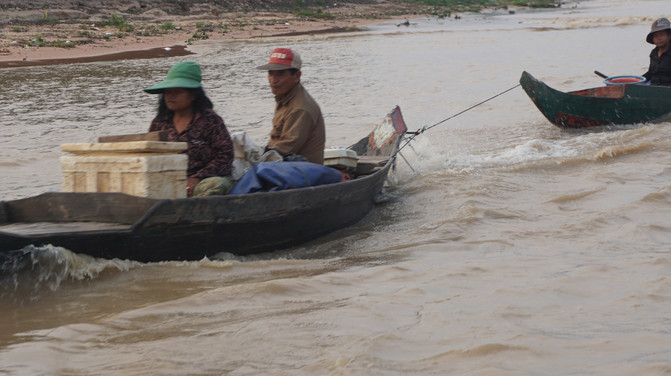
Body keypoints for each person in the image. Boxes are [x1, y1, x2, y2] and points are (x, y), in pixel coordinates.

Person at [144, 61, 234, 197]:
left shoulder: (210, 120)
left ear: (193, 95)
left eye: (177, 92)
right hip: (170, 181)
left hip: (204, 181)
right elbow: (150, 155)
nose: (170, 96)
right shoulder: (159, 123)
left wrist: (197, 178)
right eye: (167, 92)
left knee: (214, 186)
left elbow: (225, 156)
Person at [257, 48, 326, 164]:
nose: (273, 80)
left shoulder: (300, 109)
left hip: (302, 172)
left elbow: (285, 149)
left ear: (296, 76)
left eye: (280, 74)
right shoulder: (284, 98)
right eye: (270, 73)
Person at [643, 18, 671, 86]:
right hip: (653, 87)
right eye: (655, 36)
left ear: (669, 36)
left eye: (661, 35)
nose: (659, 38)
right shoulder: (654, 53)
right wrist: (637, 80)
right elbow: (650, 73)